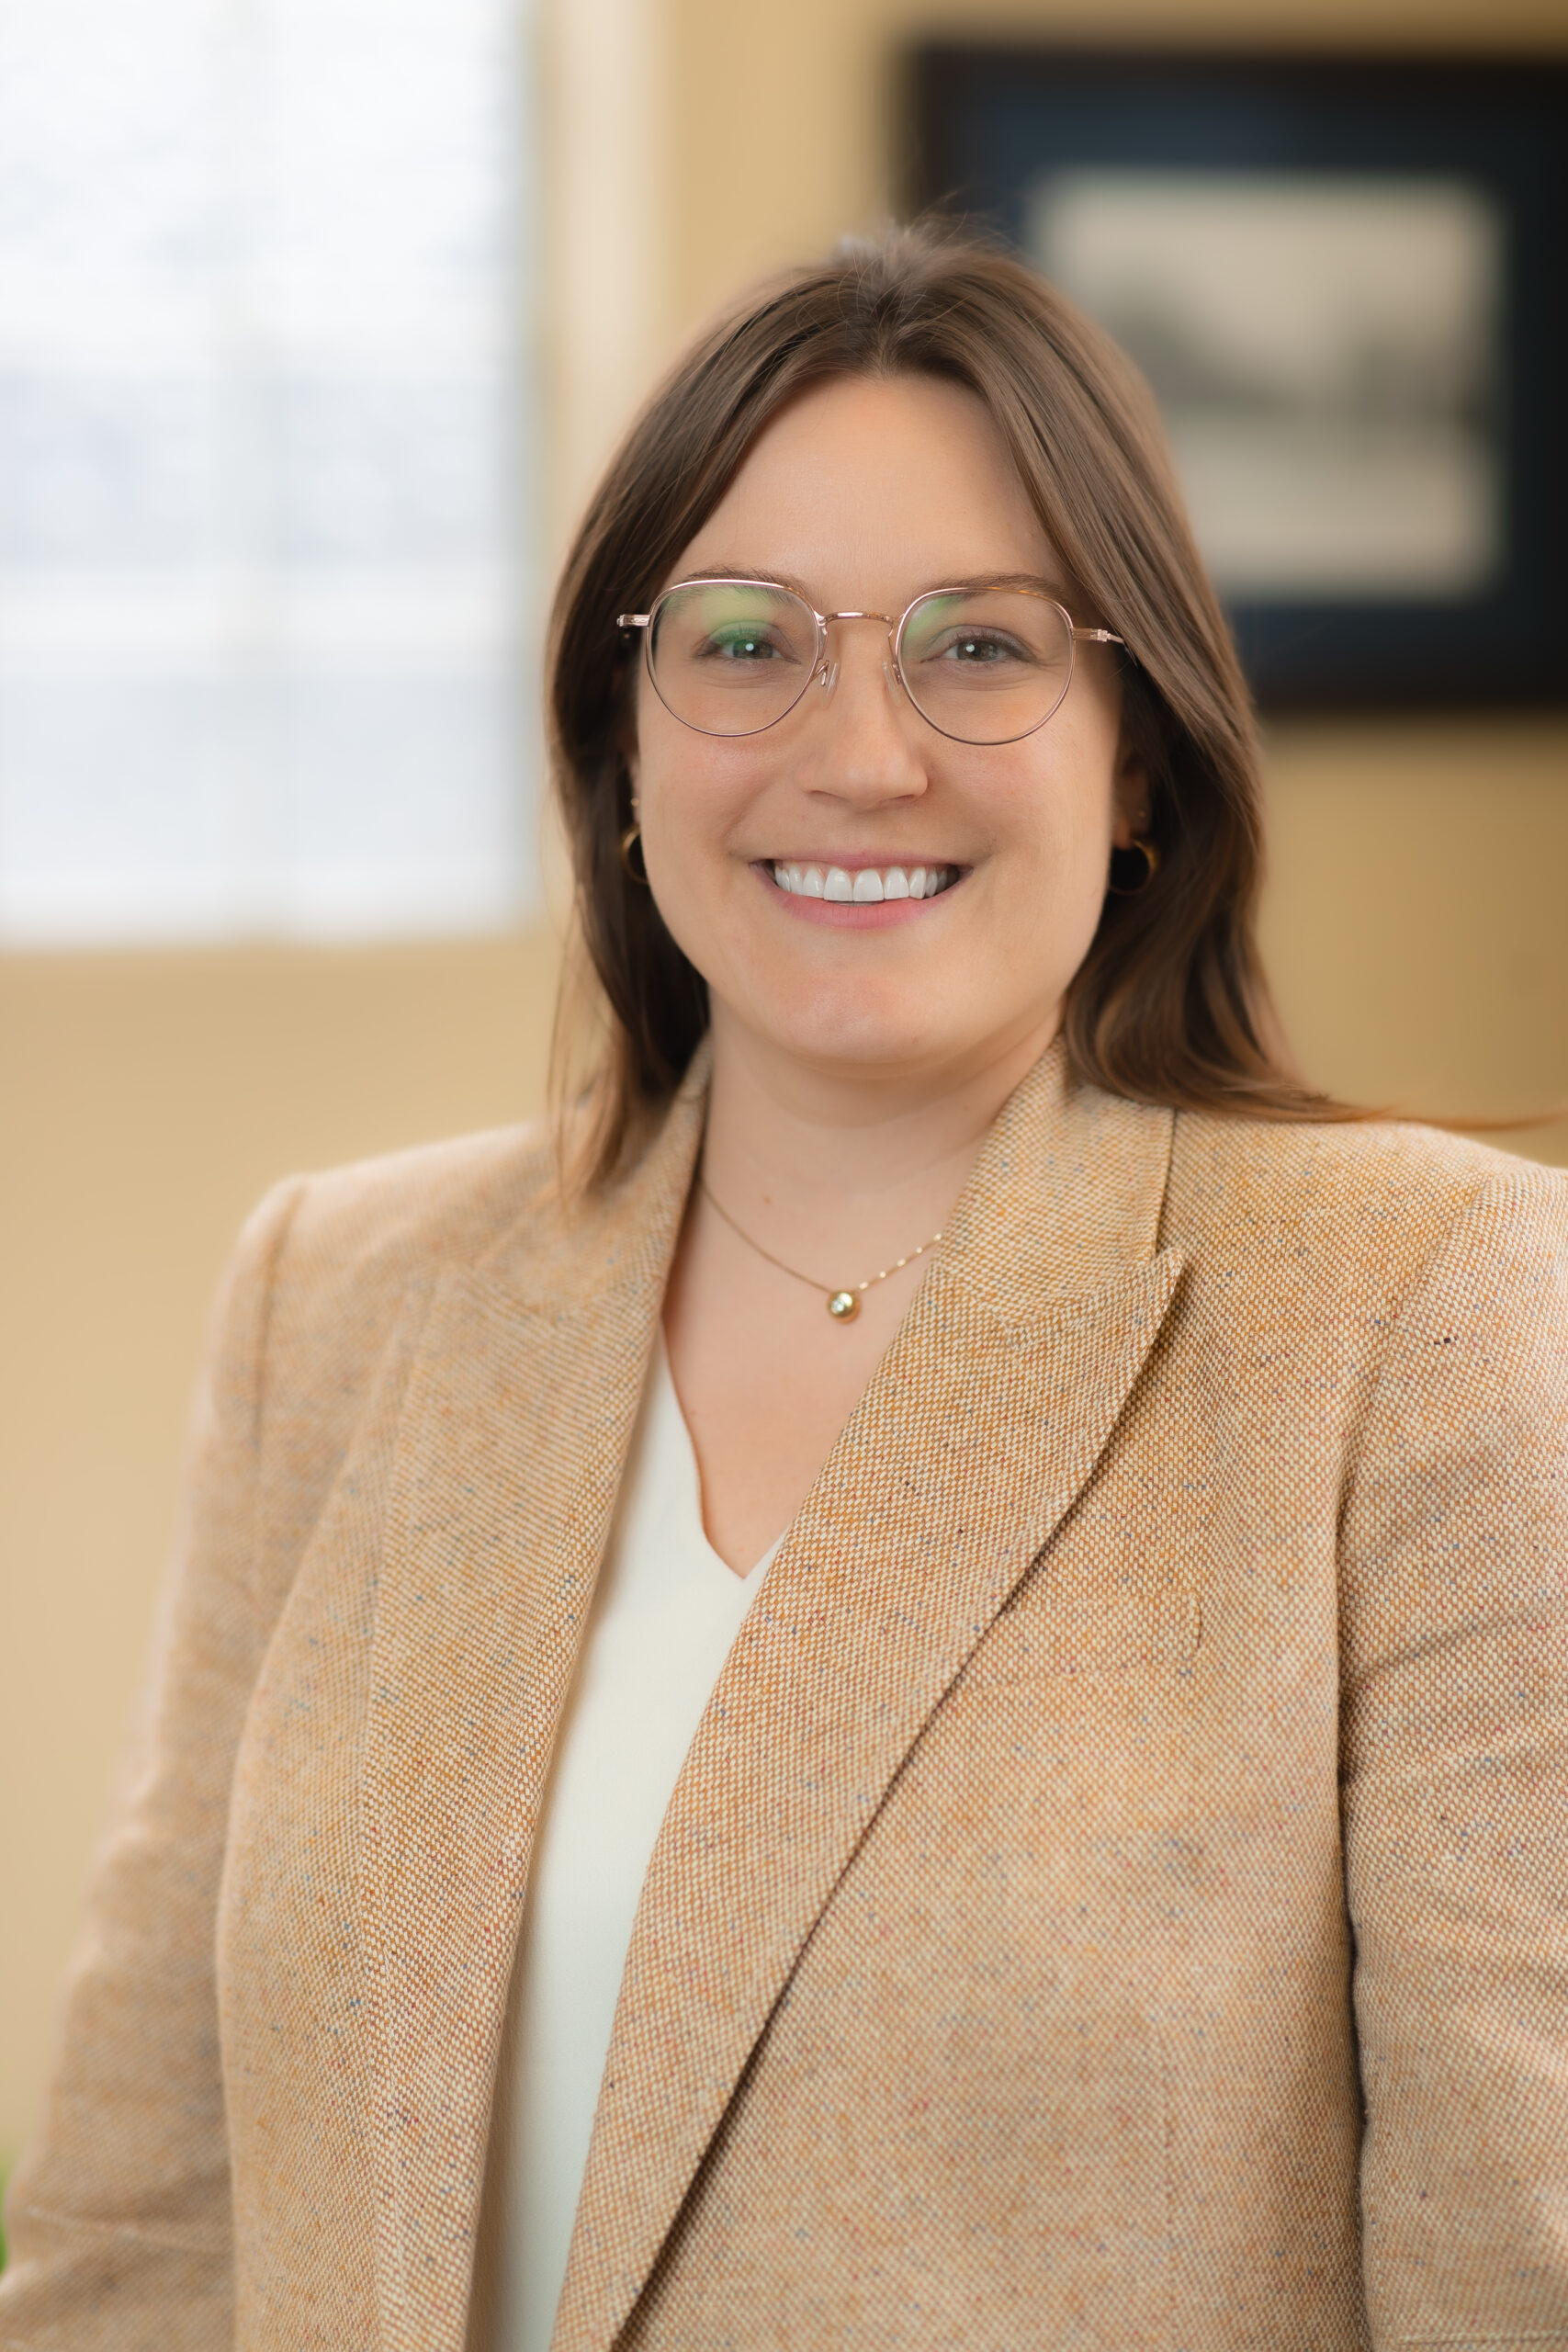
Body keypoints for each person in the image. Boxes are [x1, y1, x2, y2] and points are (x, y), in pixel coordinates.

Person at [3, 222, 1565, 2352]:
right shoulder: (338, 1300)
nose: (858, 750)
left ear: (1136, 751)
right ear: (621, 744)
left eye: (979, 648)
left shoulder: (1419, 1309)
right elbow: (136, 2235)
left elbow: (1516, 2266)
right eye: (743, 641)